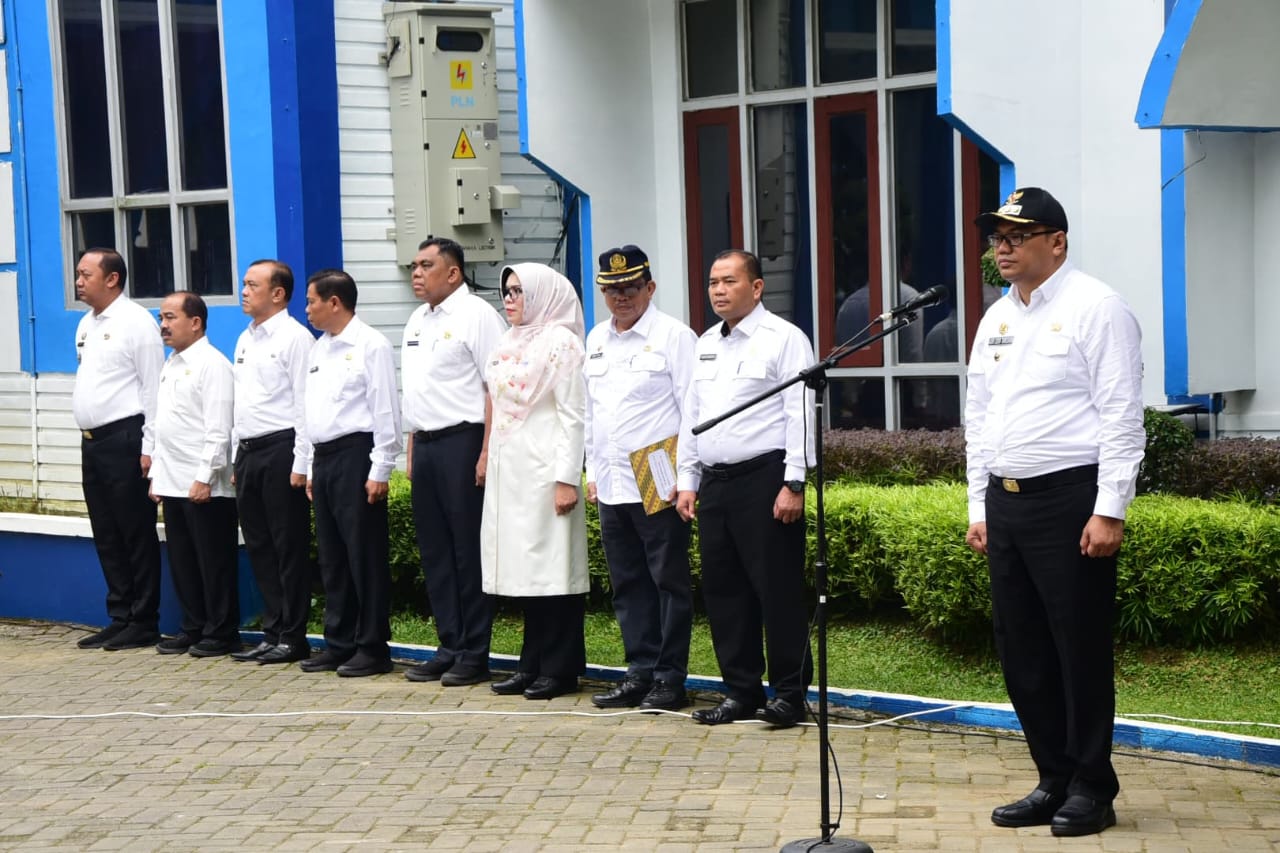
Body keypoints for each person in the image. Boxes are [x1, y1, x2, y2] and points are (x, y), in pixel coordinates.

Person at [964, 188, 1144, 838]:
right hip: (1005, 501)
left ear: (1057, 242)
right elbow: (978, 416)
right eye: (996, 235)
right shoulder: (996, 318)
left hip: (1071, 499)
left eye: (1018, 234)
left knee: (1079, 646)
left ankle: (1093, 785)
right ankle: (1053, 775)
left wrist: (1110, 508)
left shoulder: (1097, 307)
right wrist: (976, 503)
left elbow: (1122, 414)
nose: (1002, 245)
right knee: (1023, 651)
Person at [675, 249, 815, 729]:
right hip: (715, 482)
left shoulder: (785, 340)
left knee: (776, 591)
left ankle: (790, 694)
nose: (717, 290)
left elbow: (800, 413)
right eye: (712, 281)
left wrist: (794, 481)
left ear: (756, 287)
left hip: (765, 479)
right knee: (724, 592)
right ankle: (741, 691)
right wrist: (686, 480)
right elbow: (691, 416)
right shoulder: (705, 343)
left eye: (729, 281)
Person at [584, 245, 696, 712]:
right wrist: (591, 469)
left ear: (650, 287)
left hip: (659, 476)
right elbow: (592, 412)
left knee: (667, 581)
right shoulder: (596, 339)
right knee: (627, 581)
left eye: (630, 288)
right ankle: (639, 671)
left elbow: (692, 411)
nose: (620, 298)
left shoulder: (674, 337)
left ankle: (670, 679)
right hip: (612, 479)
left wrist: (689, 476)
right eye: (611, 290)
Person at [400, 238, 505, 687]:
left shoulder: (478, 315)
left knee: (467, 551)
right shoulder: (417, 320)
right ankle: (449, 643)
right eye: (414, 265)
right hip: (425, 445)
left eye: (426, 265)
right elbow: (415, 391)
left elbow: (495, 386)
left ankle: (474, 651)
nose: (416, 273)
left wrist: (486, 451)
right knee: (436, 552)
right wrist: (411, 450)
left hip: (463, 443)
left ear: (454, 273)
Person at [480, 263, 588, 700]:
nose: (510, 300)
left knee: (553, 571)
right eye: (506, 292)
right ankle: (532, 664)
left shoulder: (563, 342)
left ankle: (560, 669)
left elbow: (574, 414)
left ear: (543, 294)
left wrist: (566, 478)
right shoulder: (507, 341)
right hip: (512, 470)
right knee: (525, 571)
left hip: (547, 468)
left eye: (519, 292)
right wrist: (489, 455)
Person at [300, 269, 402, 677]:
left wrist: (381, 467)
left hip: (356, 454)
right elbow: (310, 411)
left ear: (335, 302)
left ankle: (372, 646)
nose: (306, 309)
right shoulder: (318, 349)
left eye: (311, 301)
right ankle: (338, 641)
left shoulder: (370, 344)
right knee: (332, 557)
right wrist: (309, 465)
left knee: (363, 555)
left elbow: (384, 409)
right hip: (324, 458)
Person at [71, 248, 165, 651]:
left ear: (112, 279)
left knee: (134, 531)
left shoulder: (136, 322)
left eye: (85, 274)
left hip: (127, 438)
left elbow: (153, 387)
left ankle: (143, 620)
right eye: (77, 274)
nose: (78, 281)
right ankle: (120, 614)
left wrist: (151, 445)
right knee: (106, 532)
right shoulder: (85, 324)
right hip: (93, 443)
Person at [230, 259, 316, 665]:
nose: (244, 291)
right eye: (244, 284)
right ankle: (273, 629)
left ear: (278, 293)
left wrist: (302, 462)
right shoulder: (245, 338)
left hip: (282, 449)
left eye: (252, 285)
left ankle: (294, 635)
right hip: (249, 452)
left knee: (287, 546)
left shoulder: (295, 338)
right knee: (260, 545)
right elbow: (241, 402)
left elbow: (304, 404)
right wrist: (236, 454)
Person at [150, 292, 240, 657]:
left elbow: (219, 428)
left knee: (213, 561)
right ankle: (193, 626)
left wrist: (205, 476)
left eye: (171, 317)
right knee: (184, 561)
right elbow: (162, 424)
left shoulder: (212, 364)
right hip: (172, 479)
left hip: (205, 484)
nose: (164, 325)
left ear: (196, 322)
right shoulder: (170, 363)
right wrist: (157, 473)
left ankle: (221, 632)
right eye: (161, 317)